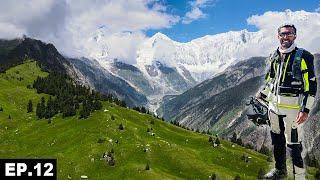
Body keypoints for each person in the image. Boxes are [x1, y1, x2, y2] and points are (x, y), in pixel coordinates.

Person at [258, 24, 317, 179]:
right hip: (274, 108)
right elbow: (270, 79)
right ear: (278, 36)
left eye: (289, 34)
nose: (286, 37)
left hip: (293, 110)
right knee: (276, 140)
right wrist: (262, 95)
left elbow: (311, 85)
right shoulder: (274, 56)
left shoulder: (304, 56)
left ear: (295, 36)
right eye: (282, 34)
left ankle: (299, 176)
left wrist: (306, 109)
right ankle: (280, 171)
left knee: (294, 145)